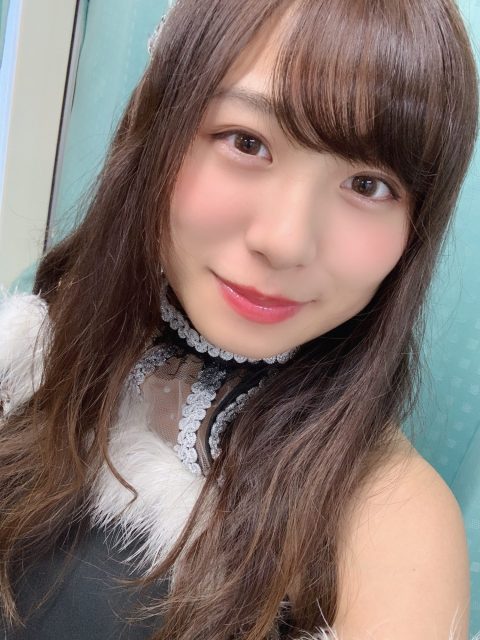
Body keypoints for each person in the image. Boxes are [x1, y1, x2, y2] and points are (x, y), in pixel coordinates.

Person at [0, 0, 478, 638]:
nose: (286, 242)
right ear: (155, 128)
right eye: (246, 142)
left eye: (368, 185)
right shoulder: (29, 353)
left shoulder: (390, 525)